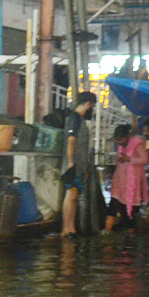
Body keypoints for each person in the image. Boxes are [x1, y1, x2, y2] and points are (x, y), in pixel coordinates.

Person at [60, 91, 97, 239]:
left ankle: (71, 228)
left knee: (74, 196)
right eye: (92, 106)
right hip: (73, 164)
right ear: (88, 104)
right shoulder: (74, 118)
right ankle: (66, 229)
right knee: (71, 195)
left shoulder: (80, 120)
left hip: (80, 165)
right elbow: (71, 140)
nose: (92, 109)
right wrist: (70, 162)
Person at [107, 123, 148, 233]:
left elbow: (145, 159)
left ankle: (131, 236)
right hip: (119, 181)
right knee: (113, 205)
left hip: (132, 182)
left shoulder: (137, 143)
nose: (119, 142)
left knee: (128, 211)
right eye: (117, 140)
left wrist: (129, 159)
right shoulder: (121, 146)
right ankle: (107, 231)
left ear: (126, 137)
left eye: (120, 139)